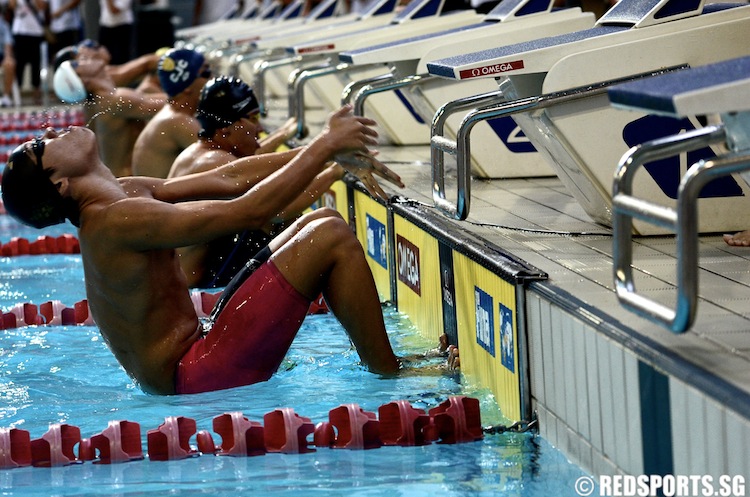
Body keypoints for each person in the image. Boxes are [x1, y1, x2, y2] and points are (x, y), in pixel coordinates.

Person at [1, 105, 405, 395]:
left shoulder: (123, 194)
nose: (53, 132)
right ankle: (391, 376)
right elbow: (250, 211)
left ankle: (381, 363)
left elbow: (227, 179)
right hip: (196, 374)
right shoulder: (114, 222)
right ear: (59, 184)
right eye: (42, 144)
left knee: (317, 224)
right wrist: (325, 146)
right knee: (328, 234)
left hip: (203, 346)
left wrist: (323, 154)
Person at [167, 76, 335, 288]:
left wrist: (285, 136)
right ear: (225, 129)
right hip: (203, 293)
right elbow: (278, 211)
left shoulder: (198, 153)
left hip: (192, 285)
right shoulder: (216, 161)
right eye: (253, 119)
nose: (261, 129)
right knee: (295, 222)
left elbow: (251, 163)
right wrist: (334, 171)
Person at [52, 52, 166, 176]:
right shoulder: (114, 100)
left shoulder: (101, 100)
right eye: (76, 63)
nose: (85, 58)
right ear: (81, 79)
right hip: (130, 184)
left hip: (123, 180)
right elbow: (177, 103)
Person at [131, 48, 210, 178]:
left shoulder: (172, 113)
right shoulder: (178, 121)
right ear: (187, 85)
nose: (213, 78)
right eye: (206, 73)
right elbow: (229, 163)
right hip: (157, 198)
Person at [53, 38, 163, 94]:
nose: (101, 48)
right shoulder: (105, 84)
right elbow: (147, 63)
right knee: (150, 86)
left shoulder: (105, 75)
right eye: (94, 47)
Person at [8, 0, 47, 104]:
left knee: (36, 64)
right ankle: (17, 95)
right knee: (19, 64)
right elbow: (12, 6)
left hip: (36, 31)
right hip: (20, 31)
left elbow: (42, 7)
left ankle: (37, 94)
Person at [98, 0, 133, 64]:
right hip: (105, 25)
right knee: (103, 56)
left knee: (120, 59)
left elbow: (114, 10)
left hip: (122, 26)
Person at [0, 11, 16, 107]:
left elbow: (8, 42)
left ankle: (6, 97)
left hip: (1, 55)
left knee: (10, 64)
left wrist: (8, 57)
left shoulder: (3, 24)